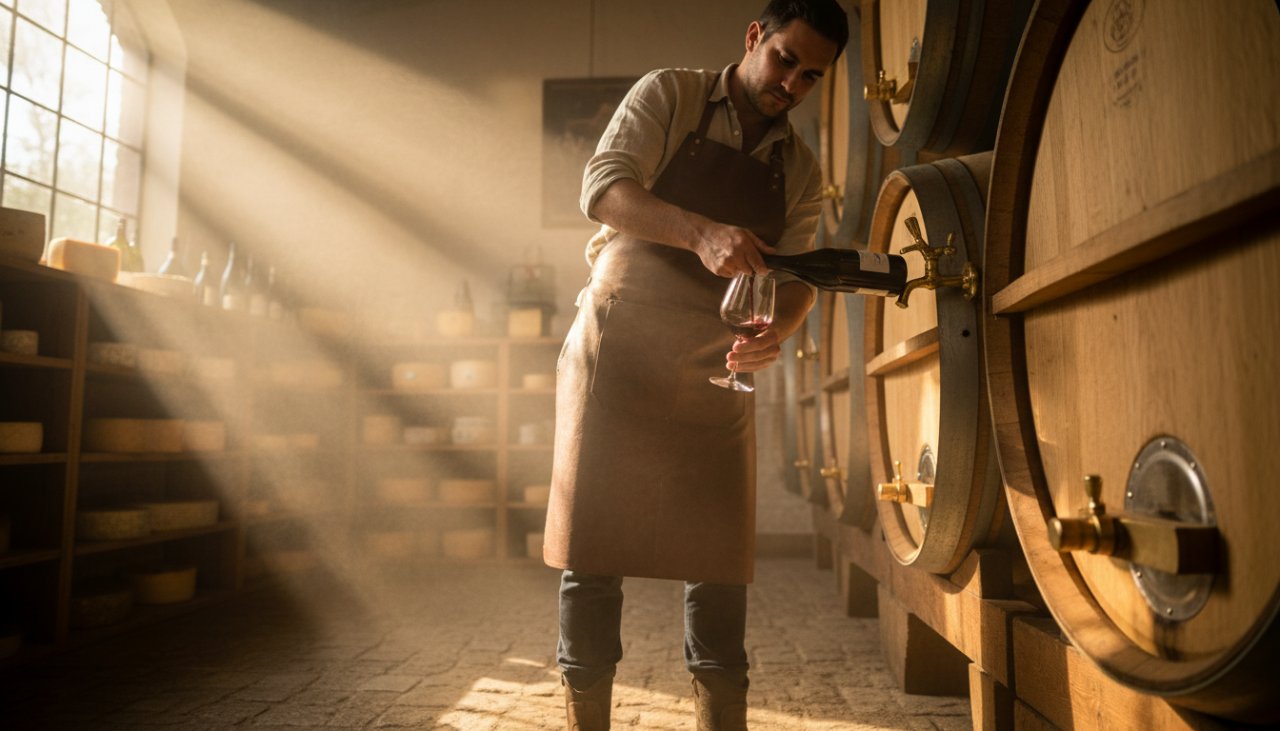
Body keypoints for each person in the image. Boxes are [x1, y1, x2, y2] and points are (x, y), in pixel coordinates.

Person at [543, 1, 847, 728]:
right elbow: (603, 188)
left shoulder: (799, 169)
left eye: (812, 76)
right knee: (594, 556)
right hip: (620, 343)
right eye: (784, 61)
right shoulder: (669, 93)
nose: (793, 84)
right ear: (753, 38)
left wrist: (780, 329)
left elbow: (799, 275)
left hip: (719, 360)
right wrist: (701, 232)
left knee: (718, 564)